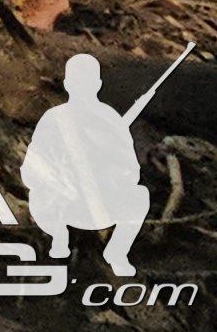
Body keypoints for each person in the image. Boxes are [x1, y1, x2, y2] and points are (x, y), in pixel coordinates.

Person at [25, 53, 151, 275]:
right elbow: (32, 167)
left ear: (98, 85)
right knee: (39, 196)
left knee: (140, 196)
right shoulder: (54, 118)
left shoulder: (110, 119)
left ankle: (116, 252)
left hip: (102, 202)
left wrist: (108, 168)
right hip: (62, 203)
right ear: (67, 85)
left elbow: (131, 169)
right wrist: (60, 179)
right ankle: (59, 240)